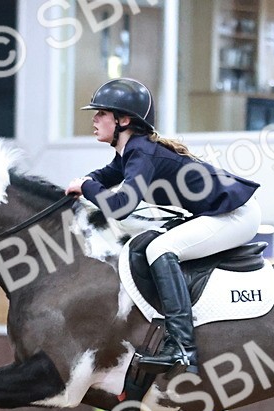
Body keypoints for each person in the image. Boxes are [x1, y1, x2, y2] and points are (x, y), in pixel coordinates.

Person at [65, 78, 261, 376]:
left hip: (235, 215)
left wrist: (86, 187)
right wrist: (81, 185)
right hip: (221, 213)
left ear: (123, 120)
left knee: (159, 248)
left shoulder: (141, 153)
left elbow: (121, 206)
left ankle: (182, 346)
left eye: (101, 113)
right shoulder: (130, 151)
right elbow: (103, 176)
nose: (94, 119)